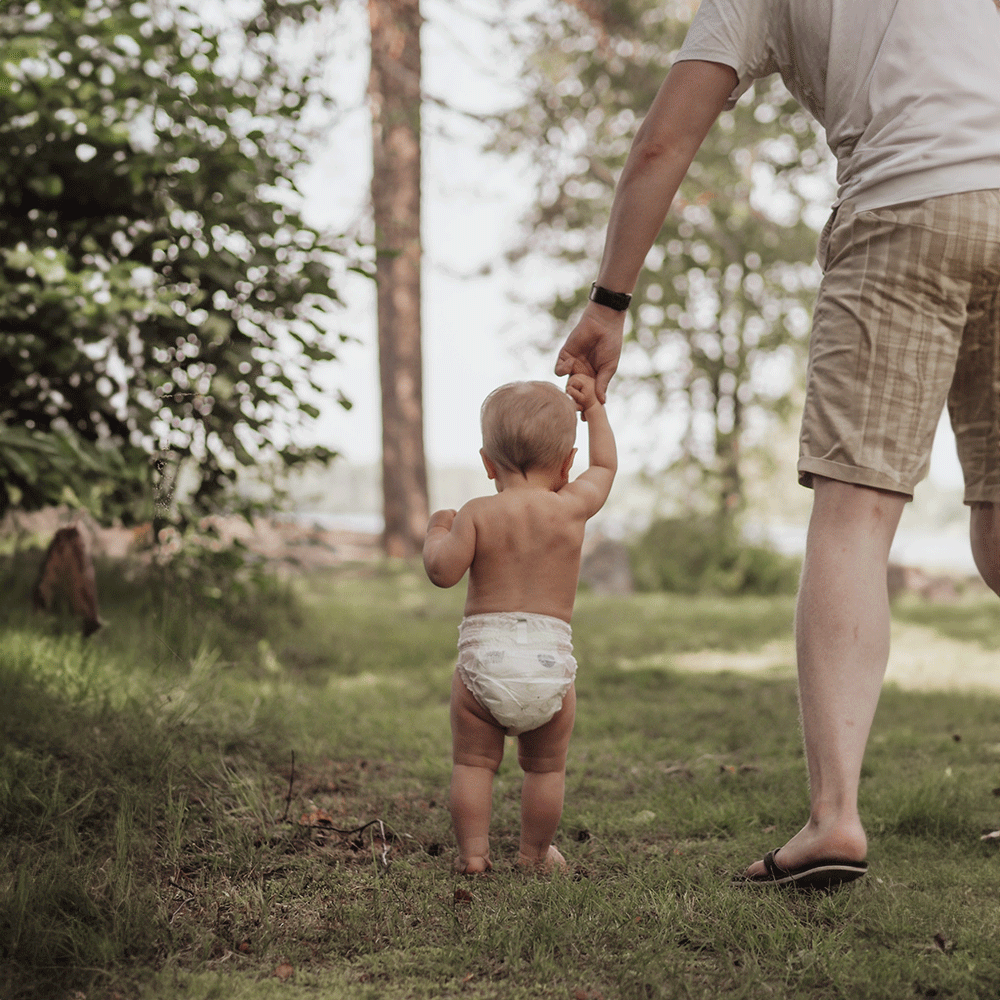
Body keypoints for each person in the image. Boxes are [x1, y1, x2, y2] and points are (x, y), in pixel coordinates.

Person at [555, 0, 1000, 889]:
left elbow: (662, 143)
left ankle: (835, 818)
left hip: (904, 208)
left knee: (856, 517)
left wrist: (609, 301)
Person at [423, 375, 617, 873]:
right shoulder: (571, 507)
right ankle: (534, 855)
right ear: (567, 463)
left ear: (488, 463)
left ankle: (473, 854)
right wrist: (593, 408)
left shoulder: (477, 513)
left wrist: (437, 530)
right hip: (548, 662)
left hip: (486, 658)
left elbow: (442, 573)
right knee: (546, 768)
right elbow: (606, 465)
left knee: (473, 764)